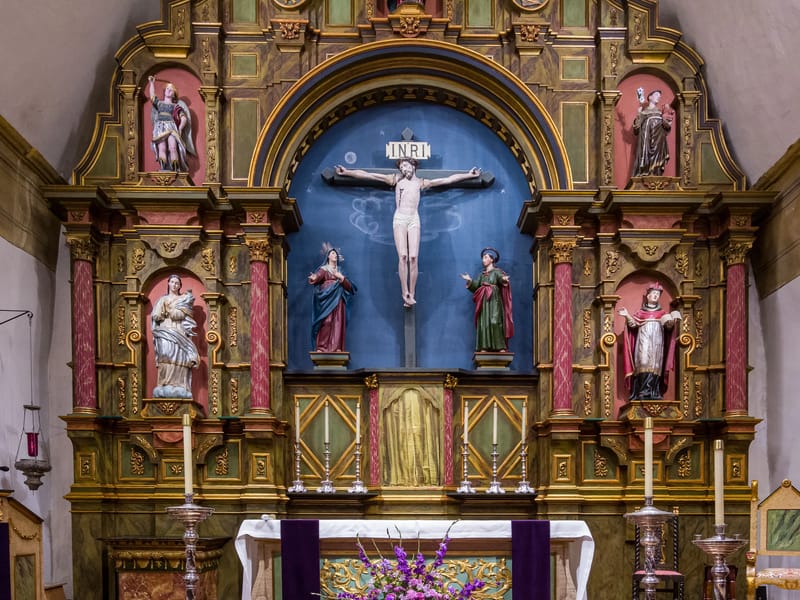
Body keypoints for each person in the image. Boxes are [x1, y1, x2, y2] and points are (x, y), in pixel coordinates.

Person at [335, 160, 481, 307]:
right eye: (401, 167)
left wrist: (468, 175)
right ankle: (405, 292)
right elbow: (369, 175)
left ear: (413, 166)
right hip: (400, 219)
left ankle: (412, 292)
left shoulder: (421, 183)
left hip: (413, 219)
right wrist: (347, 172)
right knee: (403, 256)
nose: (404, 169)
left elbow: (447, 180)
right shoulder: (395, 179)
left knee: (413, 257)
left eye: (405, 165)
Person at [618, 282, 681, 400]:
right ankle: (641, 391)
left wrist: (671, 323)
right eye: (653, 294)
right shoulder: (640, 313)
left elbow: (668, 328)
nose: (656, 296)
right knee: (643, 362)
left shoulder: (662, 314)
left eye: (658, 294)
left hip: (657, 343)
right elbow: (633, 324)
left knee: (656, 365)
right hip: (643, 341)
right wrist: (627, 315)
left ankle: (654, 392)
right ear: (648, 296)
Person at [151, 274, 200, 398]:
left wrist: (174, 312)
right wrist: (163, 313)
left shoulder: (184, 299)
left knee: (179, 356)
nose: (174, 284)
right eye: (172, 282)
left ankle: (179, 385)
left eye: (177, 283)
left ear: (180, 286)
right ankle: (164, 383)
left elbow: (184, 315)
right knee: (166, 355)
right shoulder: (163, 300)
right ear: (168, 283)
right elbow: (156, 316)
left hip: (179, 330)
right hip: (165, 330)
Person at [460, 247, 514, 352]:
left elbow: (501, 279)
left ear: (492, 259)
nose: (483, 260)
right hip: (483, 301)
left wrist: (504, 279)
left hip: (494, 299)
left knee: (495, 321)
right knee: (484, 323)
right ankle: (484, 346)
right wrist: (469, 280)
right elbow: (476, 286)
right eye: (483, 258)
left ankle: (500, 347)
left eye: (485, 257)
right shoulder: (481, 274)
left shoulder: (497, 272)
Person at [308, 245, 357, 352]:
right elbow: (317, 276)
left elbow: (350, 287)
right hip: (326, 299)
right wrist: (313, 278)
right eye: (333, 253)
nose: (335, 255)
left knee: (338, 322)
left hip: (338, 299)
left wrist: (342, 278)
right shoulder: (324, 269)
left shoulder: (341, 271)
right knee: (327, 321)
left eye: (336, 254)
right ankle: (321, 347)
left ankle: (337, 347)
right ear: (328, 256)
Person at [147, 75, 196, 171]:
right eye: (167, 89)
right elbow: (152, 96)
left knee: (173, 147)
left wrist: (180, 128)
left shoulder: (176, 106)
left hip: (171, 127)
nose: (169, 90)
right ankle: (164, 169)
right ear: (164, 91)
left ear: (174, 94)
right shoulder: (159, 103)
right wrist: (151, 83)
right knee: (162, 148)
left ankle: (175, 169)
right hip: (160, 127)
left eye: (171, 89)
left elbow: (184, 118)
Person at [631, 88, 674, 177]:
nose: (658, 97)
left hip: (659, 139)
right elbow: (636, 129)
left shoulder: (660, 112)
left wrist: (667, 119)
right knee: (645, 156)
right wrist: (639, 114)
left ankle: (655, 174)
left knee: (657, 158)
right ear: (650, 97)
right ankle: (644, 173)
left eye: (659, 96)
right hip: (646, 138)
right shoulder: (644, 112)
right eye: (656, 95)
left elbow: (667, 126)